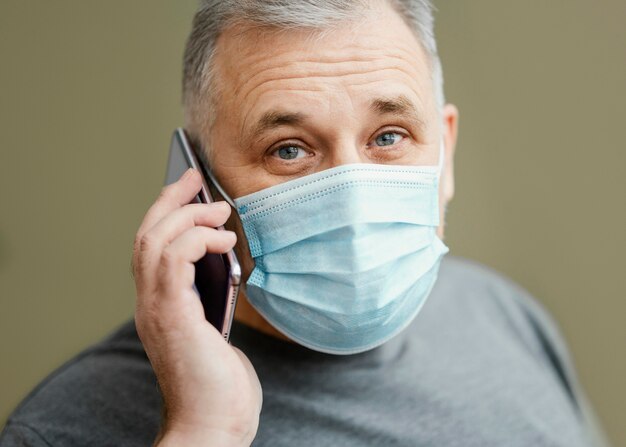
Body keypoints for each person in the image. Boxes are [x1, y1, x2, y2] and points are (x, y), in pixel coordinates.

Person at [0, 1, 610, 446]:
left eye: (389, 136)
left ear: (444, 153)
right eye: (289, 149)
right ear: (198, 184)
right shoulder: (64, 427)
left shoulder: (505, 316)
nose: (350, 192)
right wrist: (205, 430)